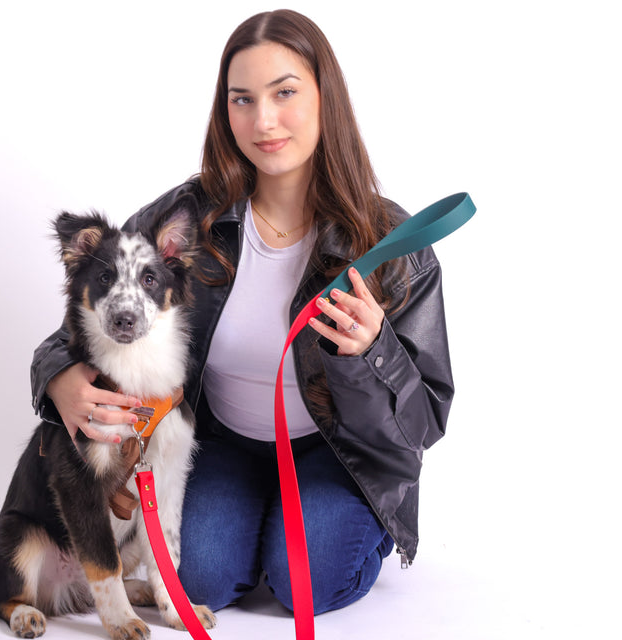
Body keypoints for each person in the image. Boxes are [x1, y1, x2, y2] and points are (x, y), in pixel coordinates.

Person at [30, 9, 454, 615]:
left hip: (339, 456)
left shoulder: (388, 241)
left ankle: (302, 522)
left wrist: (372, 352)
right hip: (222, 440)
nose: (264, 120)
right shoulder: (188, 215)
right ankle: (258, 522)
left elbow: (423, 424)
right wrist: (58, 379)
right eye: (242, 99)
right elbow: (98, 309)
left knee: (311, 583)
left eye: (285, 93)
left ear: (324, 97)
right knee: (193, 578)